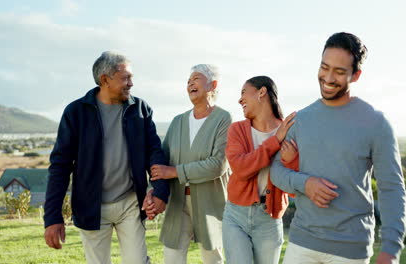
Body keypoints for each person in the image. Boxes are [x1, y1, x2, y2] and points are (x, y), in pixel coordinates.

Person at [270, 32, 406, 264]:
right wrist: (305, 183)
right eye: (325, 67)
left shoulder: (375, 123)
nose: (328, 77)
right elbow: (276, 170)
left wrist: (391, 250)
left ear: (356, 76)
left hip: (350, 249)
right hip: (302, 243)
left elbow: (392, 188)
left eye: (340, 71)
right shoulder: (301, 119)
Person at [44, 51, 169, 264]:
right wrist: (52, 217)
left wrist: (160, 192)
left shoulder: (140, 109)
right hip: (91, 206)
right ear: (105, 79)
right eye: (126, 77)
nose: (131, 83)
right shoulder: (76, 112)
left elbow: (154, 153)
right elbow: (60, 166)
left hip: (130, 202)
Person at [144, 64, 231, 264]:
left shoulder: (224, 119)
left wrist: (174, 171)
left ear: (213, 84)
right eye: (188, 81)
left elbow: (217, 165)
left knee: (213, 259)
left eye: (196, 78)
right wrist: (154, 191)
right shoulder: (177, 122)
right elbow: (161, 162)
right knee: (172, 257)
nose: (190, 83)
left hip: (211, 203)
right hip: (177, 202)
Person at [222, 76, 296, 264]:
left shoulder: (290, 131)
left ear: (261, 92)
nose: (240, 100)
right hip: (236, 216)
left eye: (243, 93)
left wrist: (291, 160)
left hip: (269, 219)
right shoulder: (237, 130)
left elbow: (294, 185)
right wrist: (274, 142)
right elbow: (240, 168)